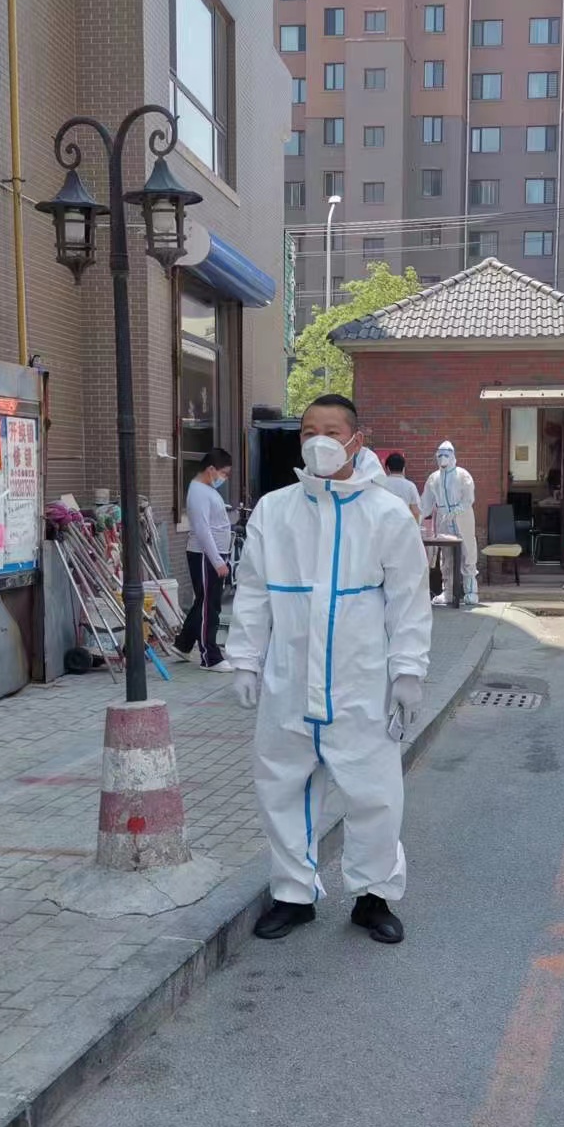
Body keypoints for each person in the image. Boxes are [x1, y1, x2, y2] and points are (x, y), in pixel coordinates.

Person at [227, 393, 433, 945]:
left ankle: (373, 896)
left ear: (356, 441)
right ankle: (293, 894)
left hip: (360, 681)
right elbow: (253, 591)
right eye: (309, 431)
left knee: (374, 793)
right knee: (282, 788)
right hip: (290, 681)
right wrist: (244, 659)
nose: (319, 440)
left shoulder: (386, 513)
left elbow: (409, 601)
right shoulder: (275, 510)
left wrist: (408, 671)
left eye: (332, 431)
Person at [174, 448, 235, 672]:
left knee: (204, 601)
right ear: (211, 469)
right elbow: (202, 529)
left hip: (211, 554)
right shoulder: (199, 492)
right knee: (210, 606)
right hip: (205, 555)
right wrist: (217, 561)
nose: (224, 478)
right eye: (224, 473)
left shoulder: (206, 489)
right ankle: (210, 657)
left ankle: (183, 644)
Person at [420, 440, 478, 605]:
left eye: (446, 455)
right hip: (443, 518)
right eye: (440, 455)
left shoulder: (463, 475)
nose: (442, 458)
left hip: (462, 518)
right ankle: (448, 592)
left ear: (453, 456)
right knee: (446, 556)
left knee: (467, 553)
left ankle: (471, 591)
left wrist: (456, 511)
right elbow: (425, 503)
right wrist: (417, 519)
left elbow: (468, 499)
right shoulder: (434, 478)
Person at [381, 451, 422, 518]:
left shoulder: (380, 484)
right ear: (403, 468)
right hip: (404, 522)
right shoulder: (410, 486)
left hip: (384, 522)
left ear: (387, 468)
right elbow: (415, 511)